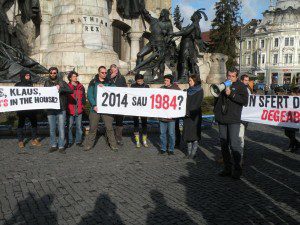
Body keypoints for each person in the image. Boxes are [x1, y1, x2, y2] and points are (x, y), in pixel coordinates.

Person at [214, 68, 248, 179]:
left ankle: (237, 169)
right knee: (224, 144)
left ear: (236, 77)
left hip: (233, 119)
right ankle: (227, 168)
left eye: (232, 76)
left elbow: (245, 101)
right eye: (229, 75)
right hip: (222, 119)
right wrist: (217, 114)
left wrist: (231, 94)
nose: (230, 78)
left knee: (234, 144)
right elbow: (217, 101)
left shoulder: (241, 86)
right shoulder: (223, 84)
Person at [84, 66, 118, 151]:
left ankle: (113, 145)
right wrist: (94, 105)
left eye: (106, 73)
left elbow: (115, 90)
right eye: (102, 72)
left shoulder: (109, 81)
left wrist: (106, 87)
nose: (104, 74)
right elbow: (90, 95)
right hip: (95, 109)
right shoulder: (93, 82)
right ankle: (89, 145)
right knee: (93, 128)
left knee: (109, 127)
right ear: (99, 73)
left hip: (106, 109)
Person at [44, 67, 73, 153]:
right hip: (50, 108)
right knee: (52, 128)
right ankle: (53, 145)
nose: (53, 74)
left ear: (57, 73)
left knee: (61, 128)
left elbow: (70, 90)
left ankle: (61, 146)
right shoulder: (46, 82)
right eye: (51, 73)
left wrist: (60, 88)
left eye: (55, 73)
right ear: (49, 73)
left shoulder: (62, 82)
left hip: (61, 108)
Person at [15, 71, 41, 150]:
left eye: (29, 75)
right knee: (21, 124)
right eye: (27, 75)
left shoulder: (31, 84)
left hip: (31, 109)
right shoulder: (18, 85)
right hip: (22, 109)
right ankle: (20, 141)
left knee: (34, 124)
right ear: (23, 76)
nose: (28, 77)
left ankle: (34, 139)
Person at [159, 74, 180, 155]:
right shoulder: (161, 89)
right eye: (164, 80)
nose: (165, 82)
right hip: (162, 116)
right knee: (162, 134)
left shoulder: (176, 88)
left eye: (167, 80)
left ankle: (171, 149)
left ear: (170, 81)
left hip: (171, 117)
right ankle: (163, 148)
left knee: (171, 133)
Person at [183, 75, 203, 158]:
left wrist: (189, 112)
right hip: (187, 116)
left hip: (195, 116)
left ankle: (193, 153)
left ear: (195, 81)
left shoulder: (199, 90)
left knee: (194, 134)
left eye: (190, 80)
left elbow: (197, 104)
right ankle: (188, 152)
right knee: (187, 134)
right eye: (189, 80)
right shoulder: (187, 91)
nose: (189, 82)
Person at [107, 64, 127, 146]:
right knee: (109, 122)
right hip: (110, 103)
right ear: (110, 71)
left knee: (119, 122)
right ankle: (110, 138)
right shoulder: (107, 77)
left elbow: (125, 87)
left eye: (116, 70)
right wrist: (110, 78)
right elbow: (104, 85)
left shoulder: (121, 78)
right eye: (113, 70)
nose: (115, 71)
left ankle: (119, 138)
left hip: (119, 104)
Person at [66, 71, 86, 148]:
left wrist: (83, 106)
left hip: (79, 110)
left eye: (76, 76)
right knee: (70, 126)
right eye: (74, 76)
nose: (75, 77)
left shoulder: (81, 86)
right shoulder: (67, 86)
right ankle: (70, 141)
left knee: (79, 127)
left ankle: (78, 141)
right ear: (70, 78)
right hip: (70, 110)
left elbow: (83, 97)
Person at [130, 74, 150, 148]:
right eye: (137, 81)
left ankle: (144, 140)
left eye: (140, 81)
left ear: (142, 80)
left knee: (144, 124)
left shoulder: (146, 86)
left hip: (143, 108)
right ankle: (137, 141)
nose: (139, 82)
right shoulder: (133, 86)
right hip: (135, 108)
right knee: (136, 124)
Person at [283, 86, 299, 153]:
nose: (291, 93)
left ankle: (291, 147)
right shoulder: (291, 98)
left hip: (295, 120)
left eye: (293, 92)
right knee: (287, 133)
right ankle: (297, 144)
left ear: (297, 93)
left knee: (291, 134)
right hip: (289, 118)